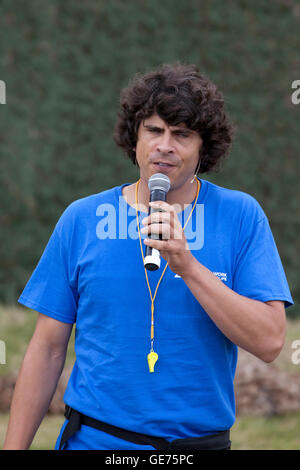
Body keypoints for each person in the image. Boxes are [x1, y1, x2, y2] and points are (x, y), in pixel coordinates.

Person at [4, 63, 293, 451]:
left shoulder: (240, 216)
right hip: (98, 441)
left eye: (182, 134)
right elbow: (48, 348)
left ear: (203, 146)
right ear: (134, 137)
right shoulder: (82, 219)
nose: (164, 145)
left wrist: (188, 266)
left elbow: (271, 341)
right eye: (154, 130)